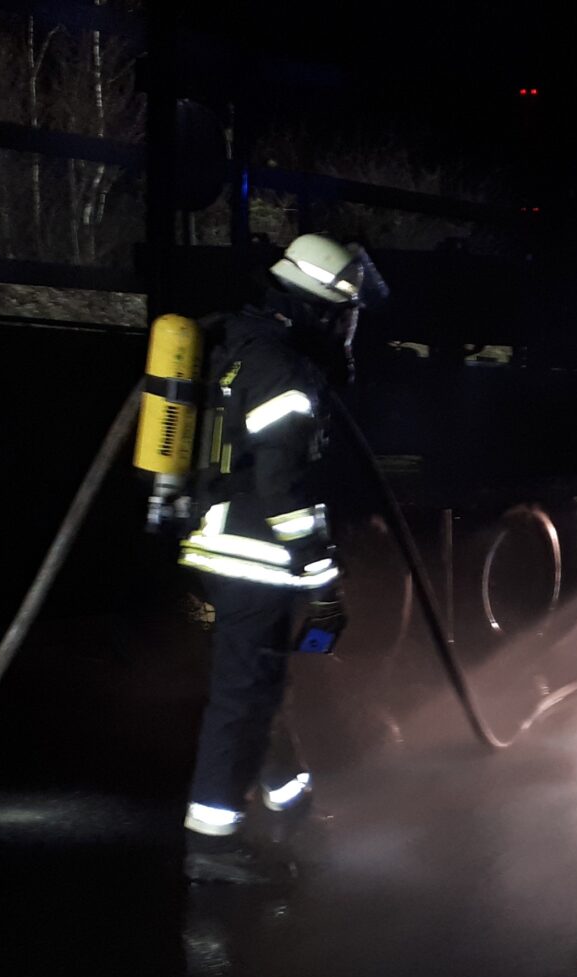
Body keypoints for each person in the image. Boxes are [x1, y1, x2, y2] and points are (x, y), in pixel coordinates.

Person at [177, 233, 384, 884]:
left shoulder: (250, 349)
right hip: (252, 560)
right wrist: (323, 580)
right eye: (345, 315)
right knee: (241, 699)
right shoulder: (284, 370)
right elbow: (280, 490)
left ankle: (291, 806)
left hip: (227, 552)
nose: (349, 330)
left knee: (260, 690)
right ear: (320, 309)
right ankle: (212, 842)